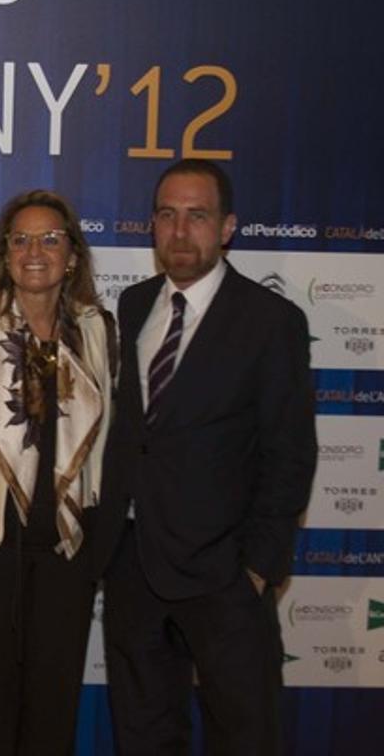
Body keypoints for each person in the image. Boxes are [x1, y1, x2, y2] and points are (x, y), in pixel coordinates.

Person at [93, 159, 316, 754]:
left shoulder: (272, 322)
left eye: (197, 215)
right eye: (167, 215)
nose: (179, 230)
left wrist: (257, 568)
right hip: (134, 565)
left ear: (227, 228)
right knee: (142, 733)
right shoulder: (135, 306)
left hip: (224, 575)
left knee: (242, 734)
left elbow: (290, 453)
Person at [0, 189, 114, 755]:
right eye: (21, 239)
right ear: (5, 253)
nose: (36, 251)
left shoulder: (98, 329)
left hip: (66, 549)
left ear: (73, 255)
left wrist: (100, 541)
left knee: (53, 705)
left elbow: (110, 443)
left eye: (50, 238)